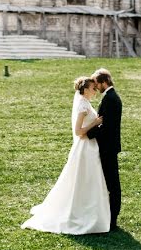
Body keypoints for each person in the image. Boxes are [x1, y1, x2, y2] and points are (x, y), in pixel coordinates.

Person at [21, 77, 111, 234]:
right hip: (85, 148)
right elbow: (79, 132)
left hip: (91, 147)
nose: (95, 91)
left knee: (90, 179)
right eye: (92, 89)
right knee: (83, 179)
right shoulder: (83, 105)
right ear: (85, 90)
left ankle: (91, 210)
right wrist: (94, 124)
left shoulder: (86, 102)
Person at [85, 68, 123, 232]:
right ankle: (109, 217)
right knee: (110, 184)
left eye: (97, 84)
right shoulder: (110, 97)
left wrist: (88, 132)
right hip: (108, 146)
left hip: (108, 147)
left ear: (104, 82)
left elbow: (107, 127)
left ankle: (112, 220)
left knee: (112, 185)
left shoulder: (111, 99)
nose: (96, 87)